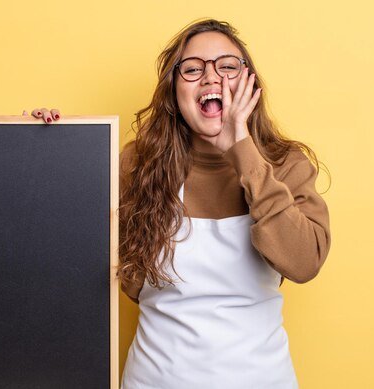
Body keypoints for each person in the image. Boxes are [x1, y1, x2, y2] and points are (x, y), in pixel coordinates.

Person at [27, 18, 330, 389]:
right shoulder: (135, 166)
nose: (211, 77)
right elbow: (74, 254)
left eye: (227, 66)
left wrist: (244, 154)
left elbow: (303, 262)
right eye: (192, 69)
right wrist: (41, 146)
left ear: (250, 83)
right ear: (173, 92)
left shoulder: (286, 165)